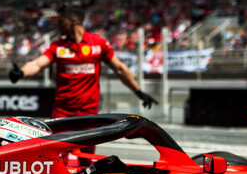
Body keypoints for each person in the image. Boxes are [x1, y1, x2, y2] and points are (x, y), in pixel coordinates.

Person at [9, 6, 156, 117]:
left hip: (89, 113)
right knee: (58, 157)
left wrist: (139, 92)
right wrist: (21, 72)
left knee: (87, 158)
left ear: (73, 21)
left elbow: (119, 68)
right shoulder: (58, 46)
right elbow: (37, 64)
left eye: (61, 22)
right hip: (62, 112)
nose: (58, 26)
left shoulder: (98, 43)